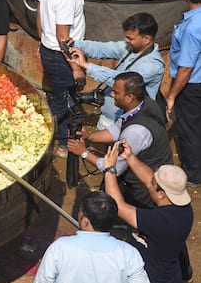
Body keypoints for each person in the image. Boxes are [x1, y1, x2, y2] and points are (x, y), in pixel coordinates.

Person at [103, 143, 193, 283]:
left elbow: (118, 206)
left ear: (162, 193)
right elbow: (150, 180)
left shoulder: (160, 221)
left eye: (155, 184)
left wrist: (110, 170)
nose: (149, 182)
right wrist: (130, 158)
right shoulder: (183, 208)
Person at [66, 72, 173, 209]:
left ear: (129, 97)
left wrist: (84, 153)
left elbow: (114, 168)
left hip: (145, 191)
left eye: (116, 92)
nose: (111, 95)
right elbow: (117, 129)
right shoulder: (145, 103)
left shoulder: (135, 132)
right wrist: (90, 136)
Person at [66, 12, 165, 129]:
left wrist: (86, 66)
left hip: (129, 123)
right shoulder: (131, 48)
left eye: (130, 38)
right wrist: (74, 44)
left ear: (146, 39)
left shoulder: (152, 65)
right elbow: (102, 48)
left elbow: (121, 81)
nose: (126, 40)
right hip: (109, 116)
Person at [37, 0, 88, 157]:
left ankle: (63, 140)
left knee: (63, 97)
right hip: (61, 56)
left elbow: (39, 10)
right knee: (62, 101)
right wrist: (75, 67)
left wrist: (41, 39)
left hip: (50, 49)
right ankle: (45, 135)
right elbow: (63, 37)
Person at [166, 0, 201, 186]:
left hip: (193, 86)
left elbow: (186, 68)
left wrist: (172, 95)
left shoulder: (190, 28)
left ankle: (193, 175)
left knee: (189, 130)